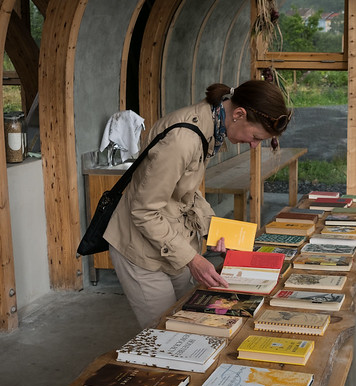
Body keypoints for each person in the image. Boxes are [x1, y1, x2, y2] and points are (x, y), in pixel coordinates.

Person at [103, 80, 292, 328]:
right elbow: (144, 210)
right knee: (166, 331)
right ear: (238, 114)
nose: (255, 144)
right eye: (255, 136)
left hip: (171, 241)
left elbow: (185, 193)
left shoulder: (210, 127)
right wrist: (192, 259)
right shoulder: (183, 140)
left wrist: (216, 231)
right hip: (140, 250)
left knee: (190, 322)